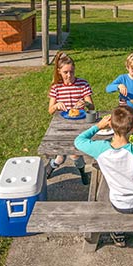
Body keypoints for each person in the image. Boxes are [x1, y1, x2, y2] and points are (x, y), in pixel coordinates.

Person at [74, 105, 133, 247]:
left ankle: (118, 234)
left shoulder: (100, 148)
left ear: (111, 125)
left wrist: (98, 126)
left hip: (119, 203)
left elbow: (79, 141)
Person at [46, 51, 94, 185]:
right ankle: (51, 166)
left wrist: (86, 103)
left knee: (74, 154)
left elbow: (92, 107)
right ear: (59, 71)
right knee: (61, 156)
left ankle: (82, 172)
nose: (69, 75)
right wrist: (56, 106)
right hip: (61, 125)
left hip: (79, 125)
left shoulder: (82, 84)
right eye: (66, 72)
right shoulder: (56, 87)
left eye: (71, 72)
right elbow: (50, 111)